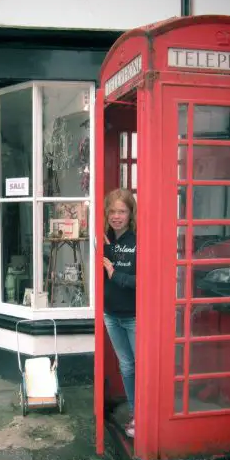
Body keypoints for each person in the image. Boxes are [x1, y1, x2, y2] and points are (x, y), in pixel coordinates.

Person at [103, 188, 137, 438]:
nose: (117, 216)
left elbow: (144, 280)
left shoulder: (138, 240)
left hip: (134, 315)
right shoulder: (104, 240)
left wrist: (115, 275)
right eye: (113, 211)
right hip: (111, 314)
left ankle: (143, 416)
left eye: (122, 211)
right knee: (126, 366)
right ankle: (137, 412)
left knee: (141, 366)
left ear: (130, 213)